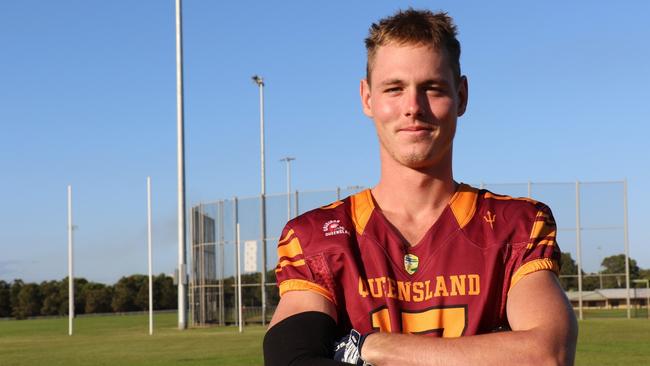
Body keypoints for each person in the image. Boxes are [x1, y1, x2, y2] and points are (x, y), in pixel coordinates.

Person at [263, 8, 577, 366]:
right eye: (394, 89)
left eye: (433, 88)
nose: (412, 107)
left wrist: (373, 347)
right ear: (367, 98)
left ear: (461, 95)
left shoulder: (516, 225)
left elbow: (546, 355)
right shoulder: (316, 237)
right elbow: (291, 359)